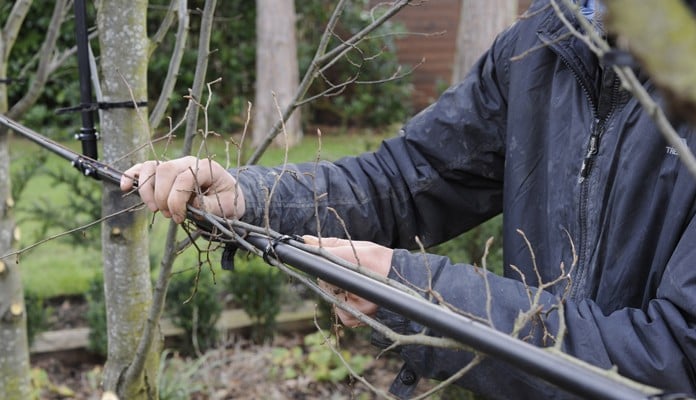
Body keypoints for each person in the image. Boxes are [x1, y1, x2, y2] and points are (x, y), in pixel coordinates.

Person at [121, 0, 696, 397]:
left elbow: (673, 358)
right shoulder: (541, 45)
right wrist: (245, 195)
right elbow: (406, 178)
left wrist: (415, 291)